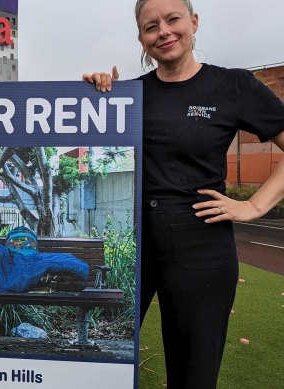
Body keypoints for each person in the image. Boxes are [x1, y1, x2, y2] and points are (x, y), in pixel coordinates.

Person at [83, 0, 284, 387]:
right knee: (100, 362)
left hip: (201, 244)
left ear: (193, 22)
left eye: (173, 19)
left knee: (193, 376)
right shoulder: (129, 95)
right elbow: (82, 144)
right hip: (132, 243)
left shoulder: (233, 85)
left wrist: (255, 205)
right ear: (141, 37)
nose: (164, 31)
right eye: (150, 26)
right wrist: (94, 95)